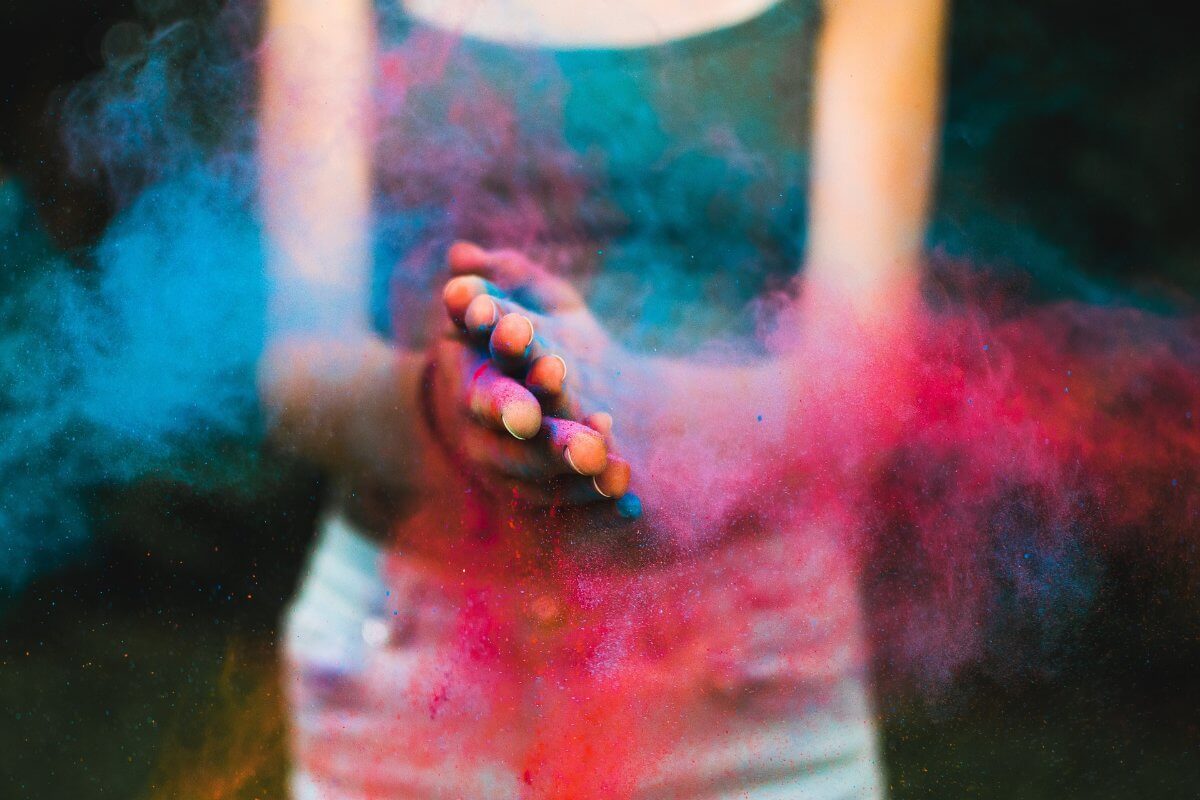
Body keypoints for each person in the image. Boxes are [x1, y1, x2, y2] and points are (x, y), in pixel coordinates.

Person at [258, 0, 949, 796]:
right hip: (411, 691)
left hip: (746, 696)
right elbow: (302, 376)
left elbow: (860, 395)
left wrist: (635, 405)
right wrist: (439, 407)